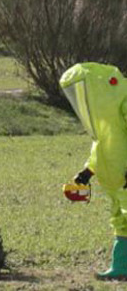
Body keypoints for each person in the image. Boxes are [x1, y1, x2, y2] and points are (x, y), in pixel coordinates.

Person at [60, 62, 127, 280]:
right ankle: (121, 267)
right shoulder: (103, 123)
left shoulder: (123, 101)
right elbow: (102, 148)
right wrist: (87, 173)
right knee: (121, 220)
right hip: (116, 181)